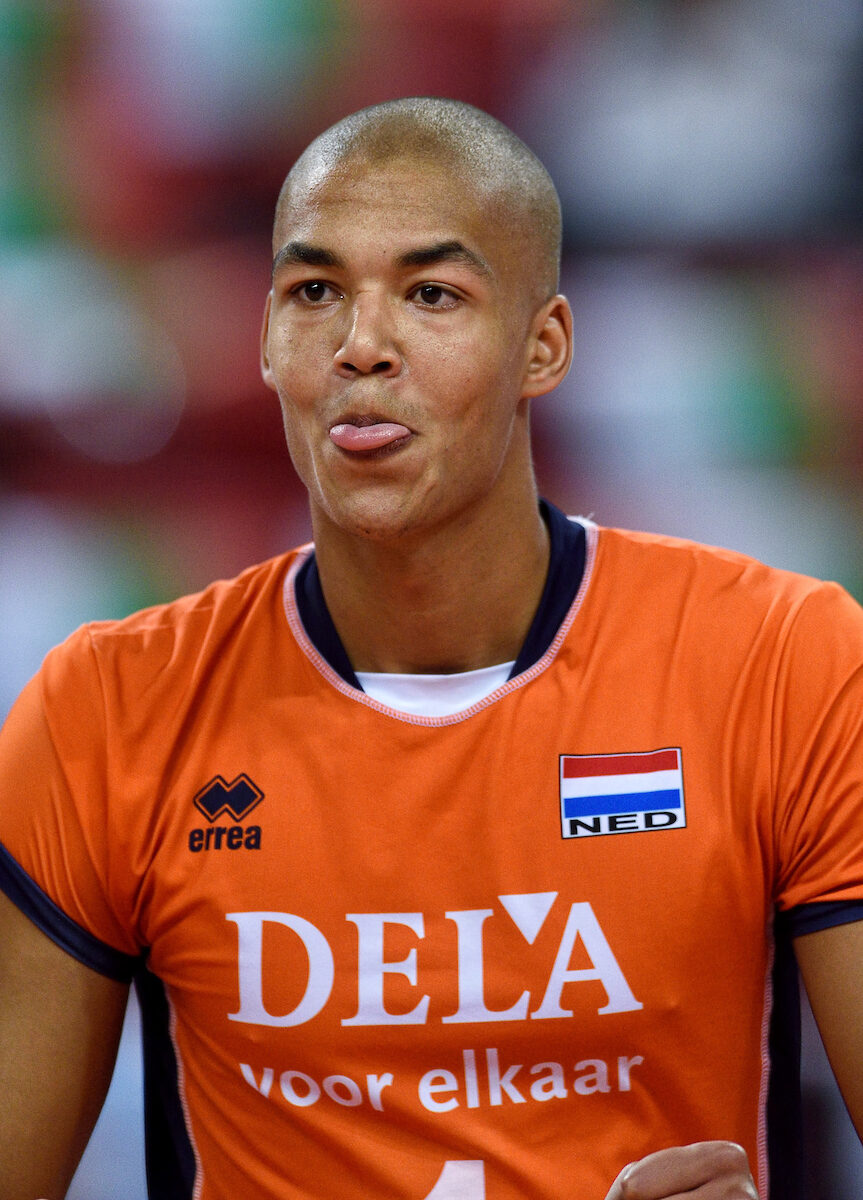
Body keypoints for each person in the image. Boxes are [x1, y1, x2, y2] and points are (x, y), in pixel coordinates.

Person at [0, 97, 861, 1200]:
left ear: (542, 347)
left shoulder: (783, 661)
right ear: (265, 342)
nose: (361, 346)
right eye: (315, 293)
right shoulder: (106, 710)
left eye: (431, 294)